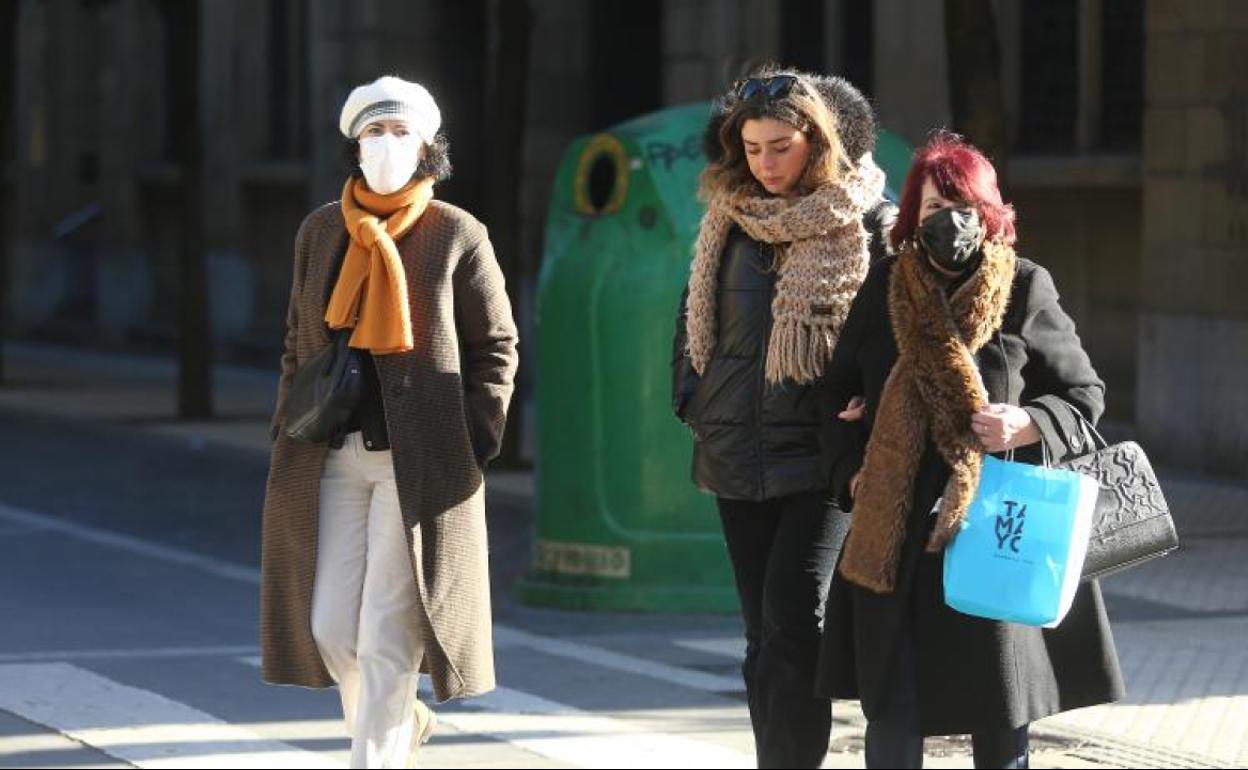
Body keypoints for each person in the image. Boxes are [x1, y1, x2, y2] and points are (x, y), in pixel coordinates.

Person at [815, 132, 1124, 769]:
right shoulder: (883, 291)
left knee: (998, 716)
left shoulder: (1026, 289)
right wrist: (853, 478)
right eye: (930, 209)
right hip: (895, 535)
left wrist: (1028, 422)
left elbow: (1084, 394)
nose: (945, 222)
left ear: (988, 212)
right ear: (910, 219)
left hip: (993, 529)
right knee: (893, 711)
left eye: (959, 205)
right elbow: (834, 401)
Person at [259, 75, 519, 768]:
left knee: (384, 634)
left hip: (421, 463)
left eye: (400, 131)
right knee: (330, 628)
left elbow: (497, 345)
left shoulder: (457, 233)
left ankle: (375, 758)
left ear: (428, 145)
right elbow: (297, 340)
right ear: (352, 144)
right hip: (331, 454)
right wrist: (286, 426)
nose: (386, 144)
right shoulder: (321, 230)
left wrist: (474, 439)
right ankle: (403, 717)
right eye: (373, 131)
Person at [670, 67, 894, 768]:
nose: (765, 163)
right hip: (738, 451)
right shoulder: (728, 220)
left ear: (817, 142)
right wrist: (694, 400)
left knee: (796, 625)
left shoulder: (866, 222)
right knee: (761, 637)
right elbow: (691, 320)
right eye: (754, 148)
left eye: (781, 146)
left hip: (822, 455)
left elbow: (893, 331)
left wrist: (871, 407)